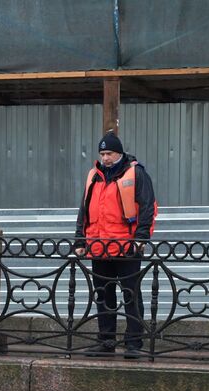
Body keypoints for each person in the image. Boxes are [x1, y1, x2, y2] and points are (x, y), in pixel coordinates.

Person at [74, 129, 158, 359]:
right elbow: (84, 210)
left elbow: (148, 207)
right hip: (99, 246)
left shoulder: (136, 174)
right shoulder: (94, 175)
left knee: (131, 295)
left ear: (119, 153)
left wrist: (141, 239)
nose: (105, 158)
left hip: (126, 246)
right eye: (103, 154)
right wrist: (80, 240)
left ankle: (134, 343)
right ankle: (106, 341)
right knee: (103, 295)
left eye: (110, 153)